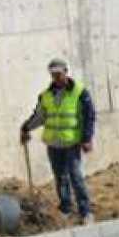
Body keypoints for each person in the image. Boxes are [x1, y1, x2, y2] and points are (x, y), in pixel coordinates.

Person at [20, 57, 97, 225]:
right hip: (54, 144)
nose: (56, 78)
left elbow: (89, 116)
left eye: (59, 74)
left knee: (76, 177)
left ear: (66, 72)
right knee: (60, 177)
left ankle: (86, 211)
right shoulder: (46, 95)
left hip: (71, 143)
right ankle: (66, 209)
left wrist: (87, 138)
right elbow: (39, 117)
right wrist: (26, 127)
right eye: (53, 75)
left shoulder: (79, 92)